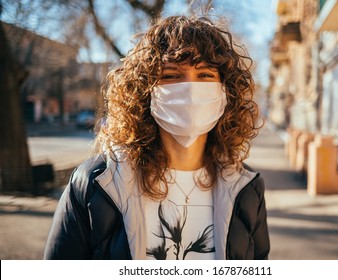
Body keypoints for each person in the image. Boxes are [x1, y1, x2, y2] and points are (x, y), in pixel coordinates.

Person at [44, 15, 270, 260]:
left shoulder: (247, 188)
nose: (190, 90)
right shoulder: (95, 184)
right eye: (171, 75)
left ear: (226, 92)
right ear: (146, 92)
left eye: (205, 75)